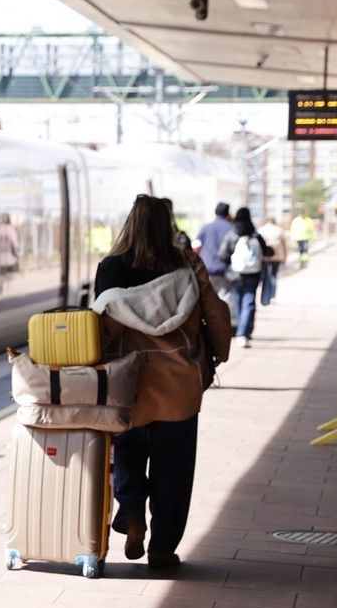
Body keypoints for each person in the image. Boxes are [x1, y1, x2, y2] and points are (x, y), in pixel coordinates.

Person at [90, 195, 232, 569]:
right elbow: (215, 314)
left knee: (128, 451)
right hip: (178, 384)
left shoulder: (110, 269)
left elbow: (98, 327)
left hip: (127, 383)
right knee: (175, 466)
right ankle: (163, 548)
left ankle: (133, 512)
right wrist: (218, 354)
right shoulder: (186, 267)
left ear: (130, 224)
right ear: (168, 226)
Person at [218, 207, 272, 348]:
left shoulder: (231, 234)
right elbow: (267, 251)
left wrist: (231, 265)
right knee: (249, 303)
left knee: (237, 302)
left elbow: (222, 255)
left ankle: (239, 331)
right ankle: (243, 333)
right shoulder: (255, 234)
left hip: (235, 275)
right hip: (253, 275)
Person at [193, 202, 235, 319]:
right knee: (225, 296)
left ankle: (209, 325)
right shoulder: (231, 228)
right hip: (224, 269)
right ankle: (225, 324)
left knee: (207, 298)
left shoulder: (206, 228)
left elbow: (196, 246)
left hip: (206, 268)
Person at [257, 217, 288, 306]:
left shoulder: (261, 230)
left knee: (265, 277)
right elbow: (285, 245)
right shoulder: (279, 230)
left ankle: (264, 298)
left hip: (264, 257)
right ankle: (272, 296)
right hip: (277, 257)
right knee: (274, 276)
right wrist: (285, 257)